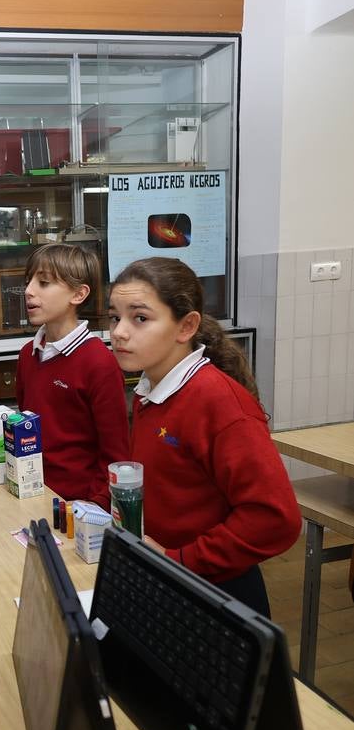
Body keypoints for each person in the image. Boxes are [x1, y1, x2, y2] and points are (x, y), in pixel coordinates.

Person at [107, 256, 302, 615]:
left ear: (186, 327)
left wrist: (179, 559)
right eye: (114, 317)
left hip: (216, 594)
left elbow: (276, 519)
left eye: (140, 318)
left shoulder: (219, 401)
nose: (119, 332)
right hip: (167, 579)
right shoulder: (148, 390)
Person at [0, 243, 130, 509]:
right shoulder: (28, 353)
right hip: (31, 494)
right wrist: (2, 455)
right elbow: (28, 426)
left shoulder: (98, 362)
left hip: (76, 507)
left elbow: (115, 455)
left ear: (78, 294)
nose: (28, 291)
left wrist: (91, 509)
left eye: (44, 283)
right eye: (29, 282)